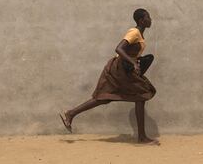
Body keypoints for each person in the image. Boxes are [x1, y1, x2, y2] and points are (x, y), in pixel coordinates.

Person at [59, 8, 158, 144]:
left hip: (125, 69)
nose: (150, 19)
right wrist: (132, 62)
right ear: (141, 20)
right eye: (148, 17)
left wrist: (138, 61)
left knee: (105, 98)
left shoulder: (139, 35)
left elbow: (131, 54)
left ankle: (71, 113)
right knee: (141, 94)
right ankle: (141, 137)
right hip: (119, 69)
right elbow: (119, 48)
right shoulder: (134, 32)